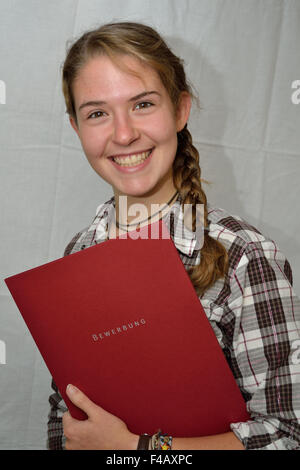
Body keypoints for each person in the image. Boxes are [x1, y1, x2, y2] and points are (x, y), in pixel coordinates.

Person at [47, 21, 300, 450]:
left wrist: (139, 451)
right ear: (76, 127)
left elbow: (287, 436)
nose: (124, 134)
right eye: (97, 113)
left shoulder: (244, 256)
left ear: (181, 110)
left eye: (143, 104)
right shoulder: (79, 251)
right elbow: (65, 413)